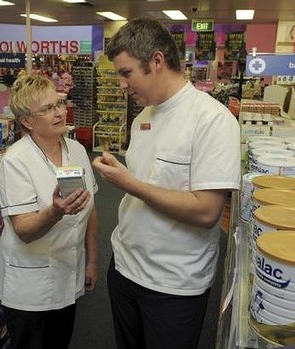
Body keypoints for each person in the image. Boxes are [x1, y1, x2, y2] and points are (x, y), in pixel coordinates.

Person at [91, 18, 241, 349]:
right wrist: (126, 175)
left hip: (173, 285)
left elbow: (206, 211)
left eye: (126, 73)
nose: (122, 84)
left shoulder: (213, 121)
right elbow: (148, 183)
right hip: (125, 268)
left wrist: (129, 183)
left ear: (157, 61)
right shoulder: (143, 118)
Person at [0, 74, 99, 349]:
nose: (59, 112)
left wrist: (92, 260)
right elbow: (24, 230)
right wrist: (55, 211)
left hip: (68, 271)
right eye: (48, 109)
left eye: (59, 104)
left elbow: (91, 209)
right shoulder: (16, 160)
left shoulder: (75, 150)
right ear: (27, 121)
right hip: (31, 287)